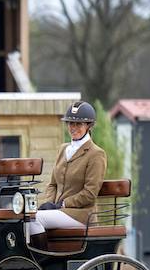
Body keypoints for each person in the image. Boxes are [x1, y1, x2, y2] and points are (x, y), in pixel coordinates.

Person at [27, 100, 107, 239]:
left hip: (81, 215)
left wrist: (63, 204)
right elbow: (52, 184)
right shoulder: (63, 149)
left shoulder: (96, 154)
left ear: (88, 126)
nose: (73, 127)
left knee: (34, 220)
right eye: (70, 123)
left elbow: (90, 193)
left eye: (78, 124)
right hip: (59, 211)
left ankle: (42, 253)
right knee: (26, 218)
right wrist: (50, 204)